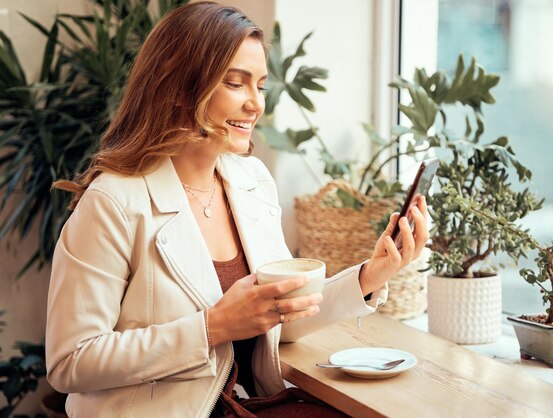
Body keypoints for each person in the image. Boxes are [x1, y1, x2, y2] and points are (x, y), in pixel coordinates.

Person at [45, 2, 429, 417]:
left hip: (246, 404)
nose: (255, 104)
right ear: (178, 87)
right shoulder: (113, 203)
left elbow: (276, 320)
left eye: (260, 86)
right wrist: (213, 328)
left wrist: (371, 276)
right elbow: (71, 363)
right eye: (235, 83)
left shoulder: (251, 181)